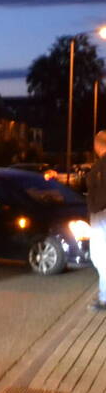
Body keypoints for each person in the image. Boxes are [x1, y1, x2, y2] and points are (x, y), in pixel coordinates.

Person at [86, 131, 106, 310]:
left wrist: (95, 208)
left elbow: (100, 192)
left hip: (102, 215)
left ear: (98, 145)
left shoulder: (101, 166)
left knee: (100, 256)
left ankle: (104, 297)